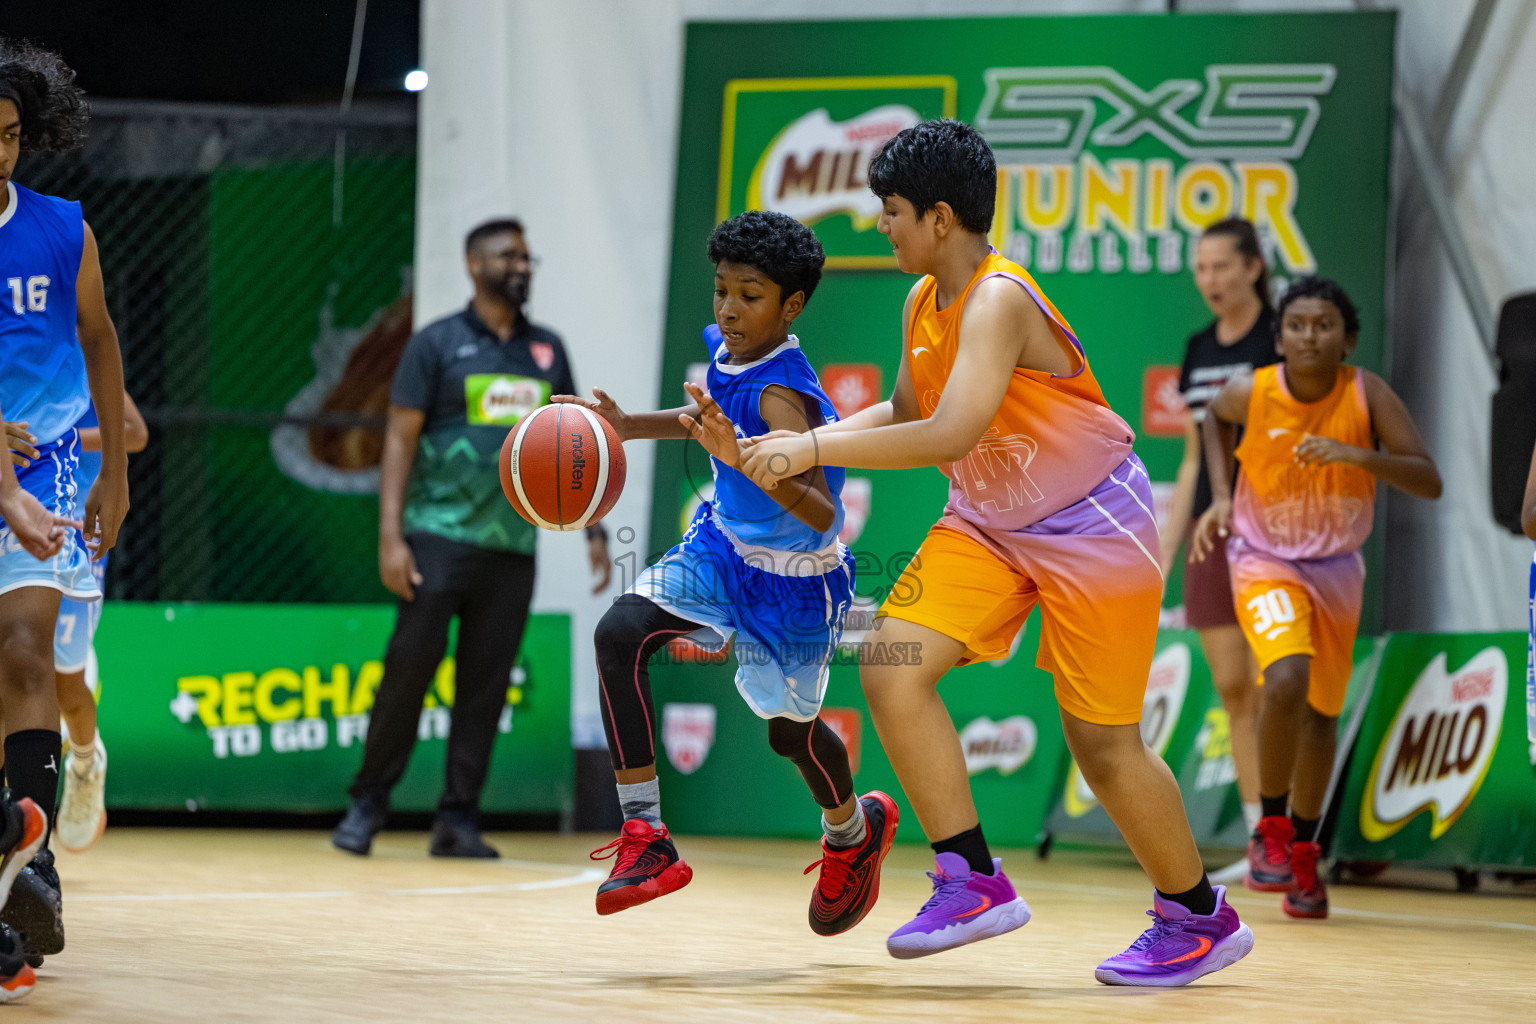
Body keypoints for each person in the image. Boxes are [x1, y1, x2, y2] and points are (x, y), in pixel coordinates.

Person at [742, 119, 1251, 985]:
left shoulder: (999, 298)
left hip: (1093, 525)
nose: (881, 225)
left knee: (1103, 745)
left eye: (892, 210)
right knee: (892, 665)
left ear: (940, 218)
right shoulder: (921, 302)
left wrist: (811, 449)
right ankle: (972, 878)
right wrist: (807, 445)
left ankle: (1200, 918)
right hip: (989, 522)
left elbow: (950, 431)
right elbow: (908, 411)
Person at [555, 210, 896, 932]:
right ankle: (646, 836)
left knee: (790, 735)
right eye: (721, 290)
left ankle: (852, 833)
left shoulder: (783, 395)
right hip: (722, 547)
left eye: (749, 295)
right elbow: (706, 416)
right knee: (620, 633)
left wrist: (740, 456)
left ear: (791, 306)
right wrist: (627, 426)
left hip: (794, 581)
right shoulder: (728, 349)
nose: (729, 310)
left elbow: (821, 513)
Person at [332, 218, 611, 859]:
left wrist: (593, 528)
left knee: (485, 687)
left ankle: (458, 819)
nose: (521, 266)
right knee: (408, 673)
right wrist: (391, 537)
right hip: (437, 537)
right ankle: (367, 805)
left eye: (527, 257)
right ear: (473, 264)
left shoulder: (547, 350)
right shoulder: (436, 343)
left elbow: (575, 440)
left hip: (513, 547)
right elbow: (399, 440)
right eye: (508, 256)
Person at [1193, 276, 1442, 919]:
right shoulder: (1253, 390)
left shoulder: (1366, 394)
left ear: (1348, 338)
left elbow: (1428, 479)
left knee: (1322, 717)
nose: (1309, 336)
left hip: (1336, 569)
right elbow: (1213, 419)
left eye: (1324, 325)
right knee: (1285, 680)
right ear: (1279, 338)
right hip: (1264, 560)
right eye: (1297, 325)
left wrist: (1356, 455)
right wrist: (1220, 495)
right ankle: (1270, 831)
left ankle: (1306, 854)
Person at [0, 37, 132, 967]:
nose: (0, 151)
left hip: (46, 459)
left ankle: (31, 863)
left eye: (10, 134)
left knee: (27, 647)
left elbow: (99, 336)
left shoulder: (61, 228)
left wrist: (113, 474)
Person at [1163, 217, 1278, 877]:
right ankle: (1263, 839)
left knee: (1282, 681)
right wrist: (1166, 549)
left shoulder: (1283, 337)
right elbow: (1189, 460)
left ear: (1253, 268)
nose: (1210, 279)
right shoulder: (1198, 348)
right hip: (1212, 529)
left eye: (1222, 266)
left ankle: (1298, 834)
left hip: (1276, 528)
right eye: (1201, 267)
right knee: (1234, 686)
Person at [5, 394, 149, 854]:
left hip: (73, 529)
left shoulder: (79, 366)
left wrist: (61, 438)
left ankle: (86, 761)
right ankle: (20, 824)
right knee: (12, 673)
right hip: (13, 514)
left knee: (67, 685)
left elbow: (136, 433)